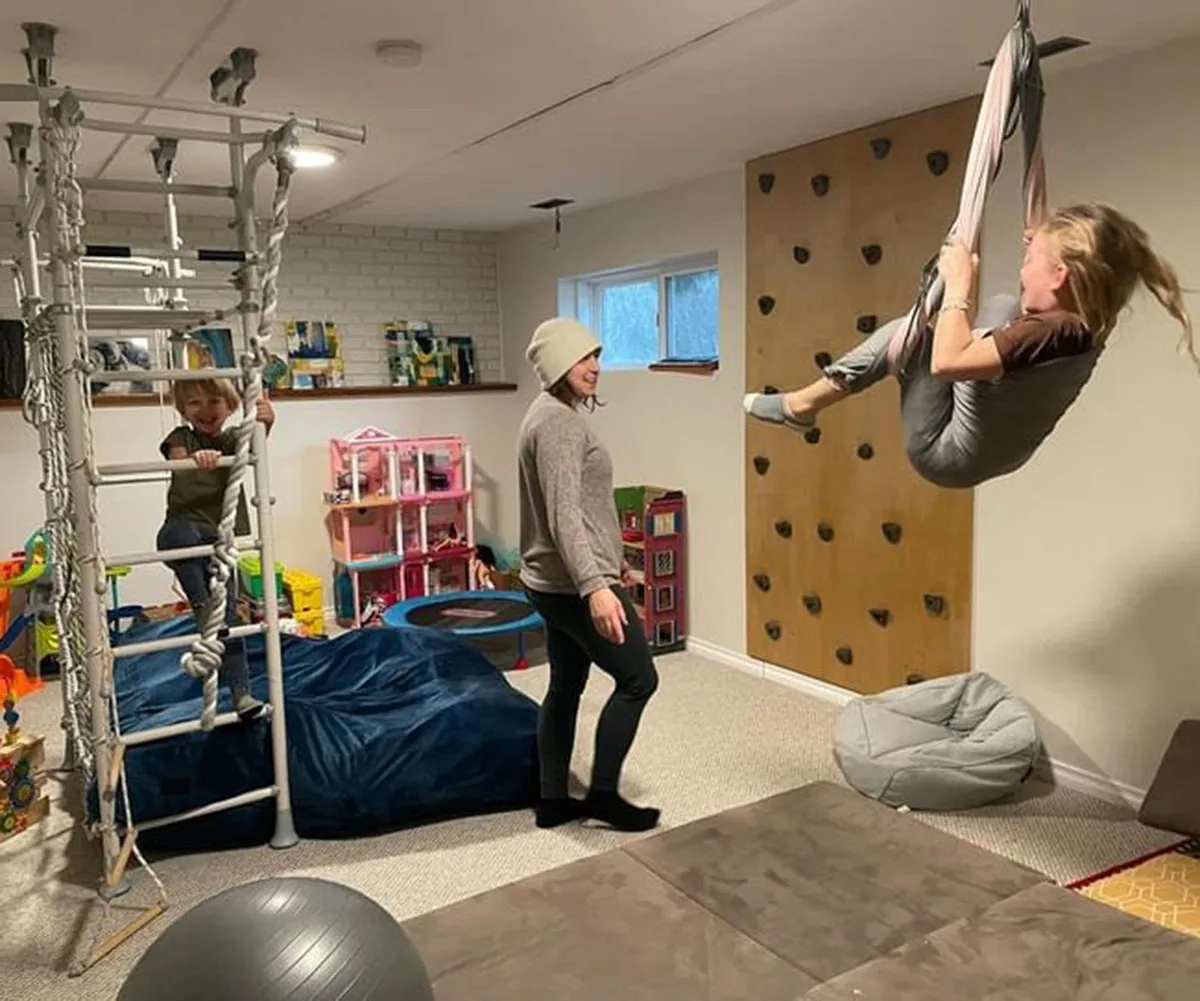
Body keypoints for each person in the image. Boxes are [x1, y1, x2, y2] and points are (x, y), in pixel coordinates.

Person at [744, 203, 1195, 488]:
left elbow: (944, 364)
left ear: (1060, 275)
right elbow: (1063, 276)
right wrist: (1042, 239)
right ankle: (802, 406)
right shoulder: (1094, 320)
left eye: (1028, 262)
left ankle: (800, 406)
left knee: (915, 333)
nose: (1022, 270)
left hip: (943, 454)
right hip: (1003, 453)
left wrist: (959, 283)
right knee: (1001, 304)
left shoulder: (1044, 334)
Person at [517, 317, 661, 832]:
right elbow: (563, 516)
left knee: (566, 685)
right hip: (573, 583)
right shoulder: (557, 422)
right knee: (639, 678)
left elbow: (583, 507)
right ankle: (603, 796)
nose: (595, 367)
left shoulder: (547, 413)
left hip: (555, 580)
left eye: (597, 356)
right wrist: (596, 587)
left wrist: (614, 559)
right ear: (557, 364)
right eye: (583, 358)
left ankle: (553, 799)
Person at [156, 376, 274, 721]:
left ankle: (243, 696)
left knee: (230, 621)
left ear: (230, 406)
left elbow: (257, 439)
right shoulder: (181, 438)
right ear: (182, 410)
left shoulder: (232, 438)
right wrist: (198, 458)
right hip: (180, 533)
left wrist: (267, 418)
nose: (205, 410)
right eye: (194, 403)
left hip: (218, 543)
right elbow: (180, 465)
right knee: (210, 610)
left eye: (214, 402)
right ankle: (203, 610)